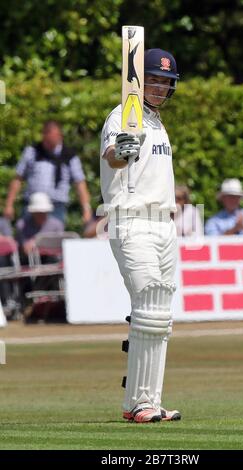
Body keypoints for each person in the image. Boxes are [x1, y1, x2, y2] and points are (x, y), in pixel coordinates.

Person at [100, 48, 181, 423]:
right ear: (138, 81)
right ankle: (138, 404)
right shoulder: (122, 115)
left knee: (159, 315)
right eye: (155, 79)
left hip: (165, 224)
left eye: (166, 82)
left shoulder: (159, 123)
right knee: (148, 308)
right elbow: (112, 156)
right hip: (132, 220)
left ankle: (146, 401)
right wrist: (121, 150)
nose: (161, 87)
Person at [4, 120, 92, 225]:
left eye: (53, 138)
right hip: (32, 206)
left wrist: (86, 208)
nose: (50, 142)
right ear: (43, 136)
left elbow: (80, 183)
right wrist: (9, 204)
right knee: (27, 239)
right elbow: (18, 178)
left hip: (56, 207)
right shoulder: (32, 152)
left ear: (60, 136)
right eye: (48, 139)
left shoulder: (69, 156)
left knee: (53, 238)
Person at [16, 192, 64, 258]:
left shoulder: (57, 225)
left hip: (52, 259)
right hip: (29, 259)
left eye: (43, 212)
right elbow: (25, 249)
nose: (41, 215)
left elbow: (59, 248)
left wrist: (38, 244)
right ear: (32, 212)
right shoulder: (21, 224)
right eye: (38, 212)